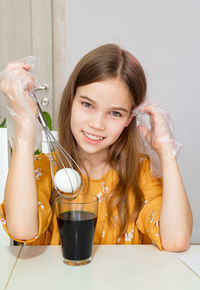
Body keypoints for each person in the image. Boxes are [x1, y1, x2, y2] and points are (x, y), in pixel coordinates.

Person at [0, 44, 193, 251]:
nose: (97, 124)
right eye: (87, 105)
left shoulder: (142, 173)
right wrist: (24, 125)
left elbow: (176, 240)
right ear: (71, 99)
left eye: (115, 113)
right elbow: (22, 230)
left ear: (129, 119)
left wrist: (166, 153)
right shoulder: (45, 169)